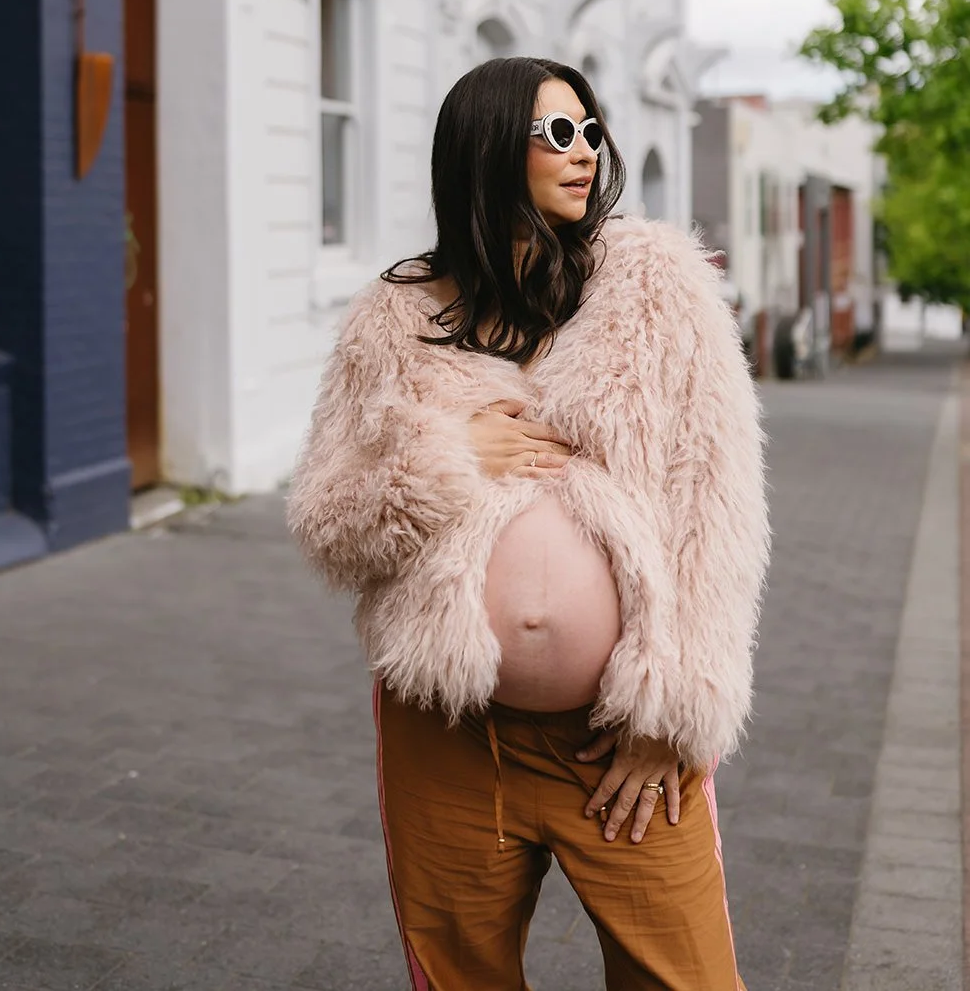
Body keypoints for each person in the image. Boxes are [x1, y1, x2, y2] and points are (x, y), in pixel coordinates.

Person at [288, 56, 769, 991]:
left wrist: (674, 714)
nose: (583, 151)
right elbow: (328, 520)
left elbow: (718, 509)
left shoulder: (656, 292)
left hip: (621, 743)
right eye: (557, 132)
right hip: (450, 735)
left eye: (590, 130)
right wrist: (445, 457)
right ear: (485, 148)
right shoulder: (394, 317)